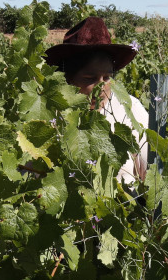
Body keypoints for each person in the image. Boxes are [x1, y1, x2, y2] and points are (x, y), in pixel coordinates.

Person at [45, 16, 148, 187]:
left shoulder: (129, 108)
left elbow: (150, 171)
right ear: (68, 79)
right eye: (89, 78)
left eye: (106, 78)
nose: (101, 87)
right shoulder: (52, 114)